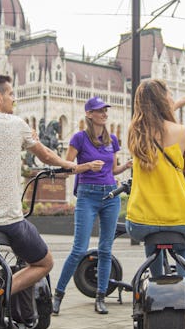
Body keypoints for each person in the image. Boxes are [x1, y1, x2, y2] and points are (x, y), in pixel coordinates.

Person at [0, 74, 78, 299]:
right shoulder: (16, 125)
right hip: (8, 222)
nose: (14, 99)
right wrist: (70, 166)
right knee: (44, 263)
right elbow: (48, 156)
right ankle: (1, 292)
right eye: (11, 94)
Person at [124, 79, 185, 284]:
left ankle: (156, 283)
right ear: (164, 100)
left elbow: (154, 115)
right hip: (180, 220)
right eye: (170, 94)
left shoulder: (135, 132)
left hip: (140, 222)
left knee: (151, 241)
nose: (172, 98)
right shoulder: (183, 133)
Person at [51, 97, 131, 315]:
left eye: (105, 110)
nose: (104, 114)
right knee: (78, 249)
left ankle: (101, 296)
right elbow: (67, 169)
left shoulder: (112, 139)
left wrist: (126, 166)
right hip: (87, 196)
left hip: (111, 196)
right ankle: (57, 295)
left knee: (106, 250)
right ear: (89, 114)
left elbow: (112, 171)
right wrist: (86, 166)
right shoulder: (79, 138)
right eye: (99, 110)